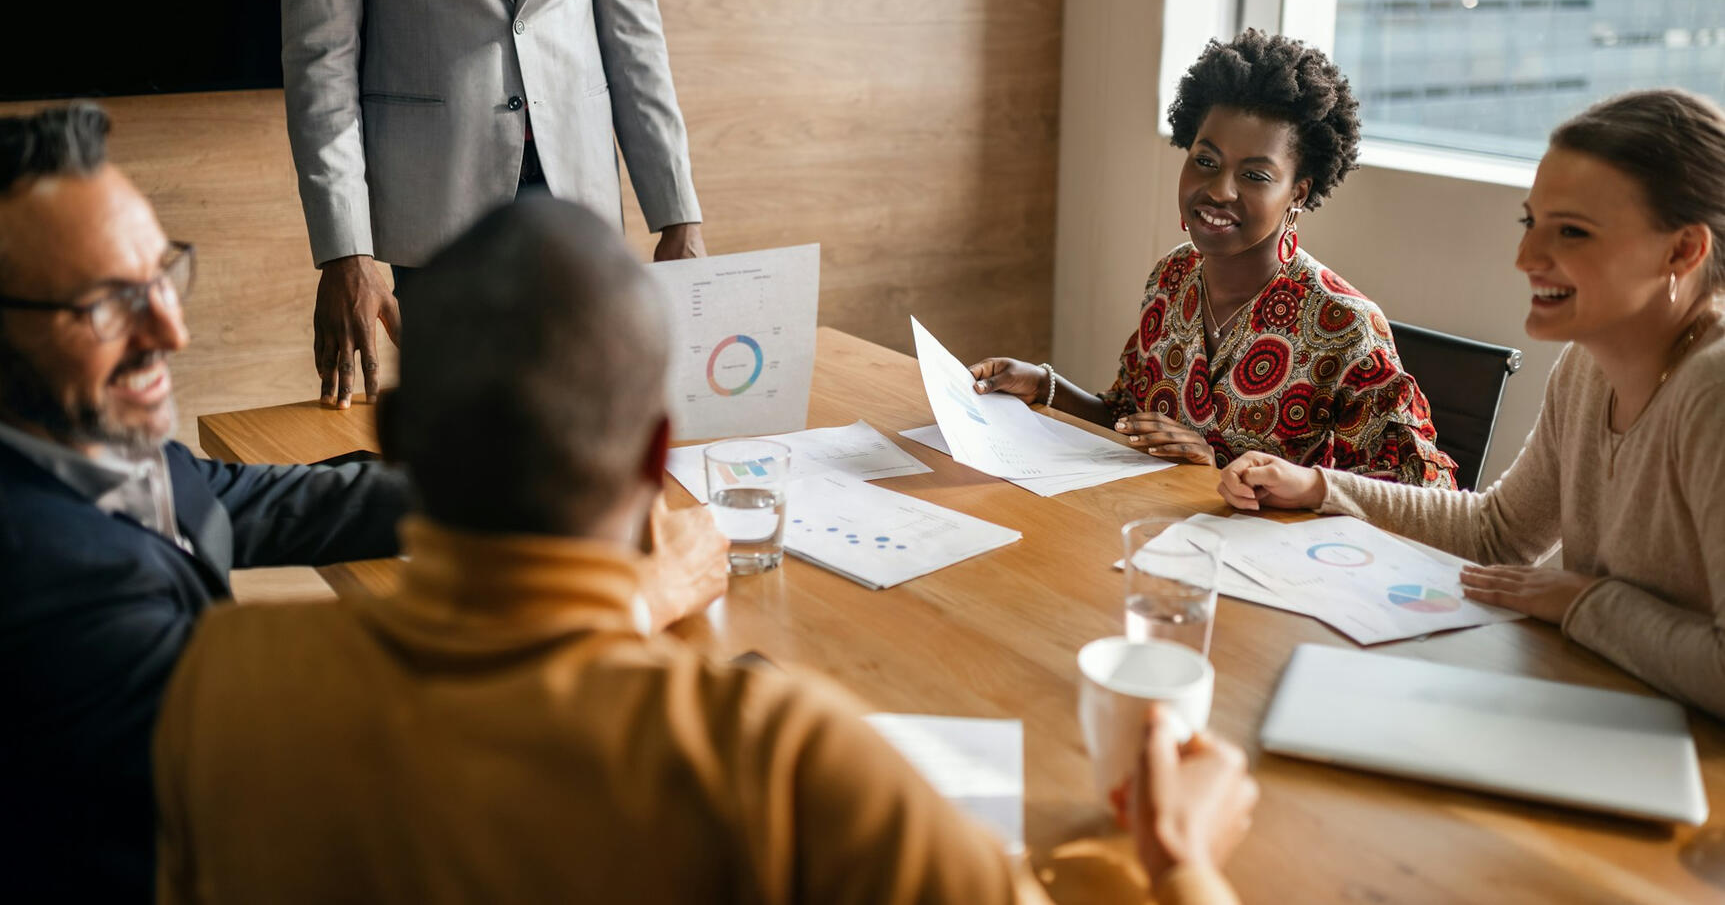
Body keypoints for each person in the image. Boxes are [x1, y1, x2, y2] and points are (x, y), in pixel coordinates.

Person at [154, 197, 1257, 905]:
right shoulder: (770, 757)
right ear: (656, 458)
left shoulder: (220, 692)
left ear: (391, 445)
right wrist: (1179, 859)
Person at [0, 104, 726, 902]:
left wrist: (546, 485)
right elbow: (384, 747)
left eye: (159, 277)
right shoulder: (40, 570)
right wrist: (640, 593)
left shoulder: (71, 446)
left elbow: (263, 499)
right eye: (105, 305)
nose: (171, 329)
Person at [1219, 88, 1725, 717]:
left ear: (1684, 250)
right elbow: (1498, 535)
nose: (1527, 258)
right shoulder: (1585, 368)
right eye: (1530, 222)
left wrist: (1579, 603)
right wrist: (1319, 488)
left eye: (1571, 231)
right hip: (1610, 714)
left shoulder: (1713, 392)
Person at [283, 0, 706, 410]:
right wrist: (346, 248)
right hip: (434, 196)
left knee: (587, 415)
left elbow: (632, 29)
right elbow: (321, 52)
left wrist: (677, 212)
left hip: (576, 188)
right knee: (465, 429)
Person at [972, 30, 1455, 486]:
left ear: (1298, 192)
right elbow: (1128, 417)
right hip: (1151, 534)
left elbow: (1423, 491)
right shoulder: (1172, 276)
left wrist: (1219, 469)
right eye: (1205, 162)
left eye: (1256, 176)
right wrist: (1040, 384)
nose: (1219, 190)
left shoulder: (1343, 325)